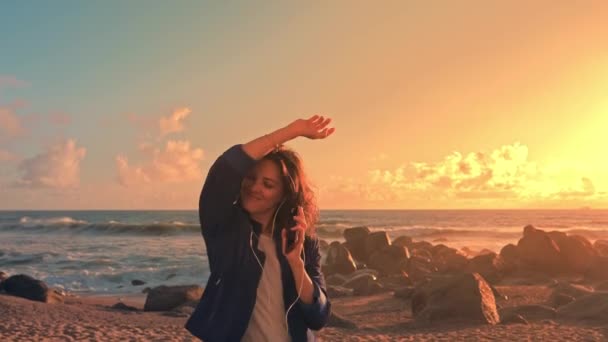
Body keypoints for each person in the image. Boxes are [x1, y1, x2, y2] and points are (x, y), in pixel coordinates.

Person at [185, 115, 335, 341]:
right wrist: (291, 131)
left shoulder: (304, 242)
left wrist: (296, 263)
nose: (254, 187)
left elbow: (318, 317)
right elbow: (224, 170)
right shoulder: (226, 228)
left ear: (283, 195)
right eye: (251, 178)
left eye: (268, 184)